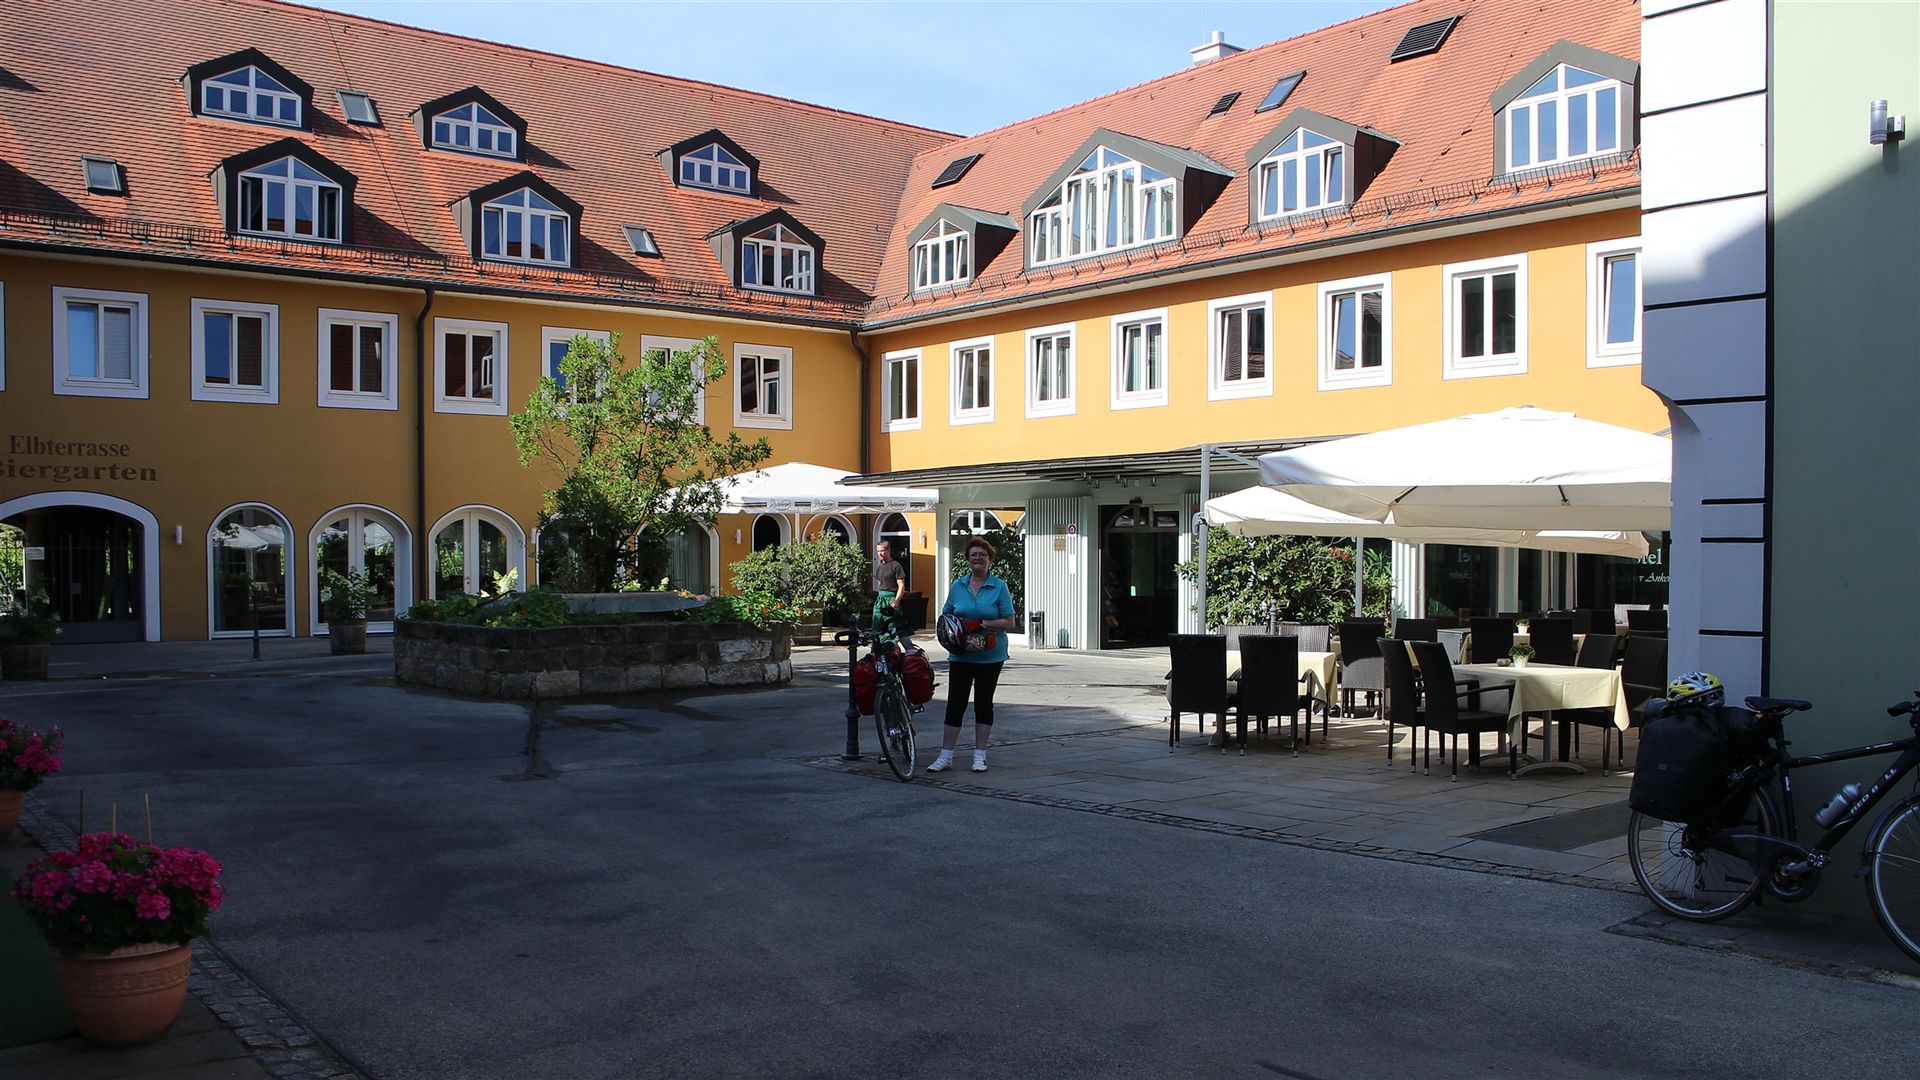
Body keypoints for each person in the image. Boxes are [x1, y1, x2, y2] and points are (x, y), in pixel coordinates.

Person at [929, 537, 1017, 773]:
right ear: (968, 559)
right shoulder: (958, 586)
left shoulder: (999, 587)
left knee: (983, 704)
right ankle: (946, 755)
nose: (977, 558)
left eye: (982, 555)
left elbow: (1009, 621)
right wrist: (954, 627)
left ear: (989, 559)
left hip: (990, 655)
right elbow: (946, 615)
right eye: (973, 555)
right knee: (955, 703)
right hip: (961, 654)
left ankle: (980, 756)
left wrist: (983, 623)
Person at [871, 539, 907, 638]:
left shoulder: (896, 566)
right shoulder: (880, 567)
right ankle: (877, 645)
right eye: (878, 551)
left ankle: (900, 645)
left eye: (882, 551)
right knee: (876, 625)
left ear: (888, 550)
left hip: (891, 599)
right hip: (880, 599)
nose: (880, 553)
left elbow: (901, 585)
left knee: (893, 627)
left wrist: (896, 600)